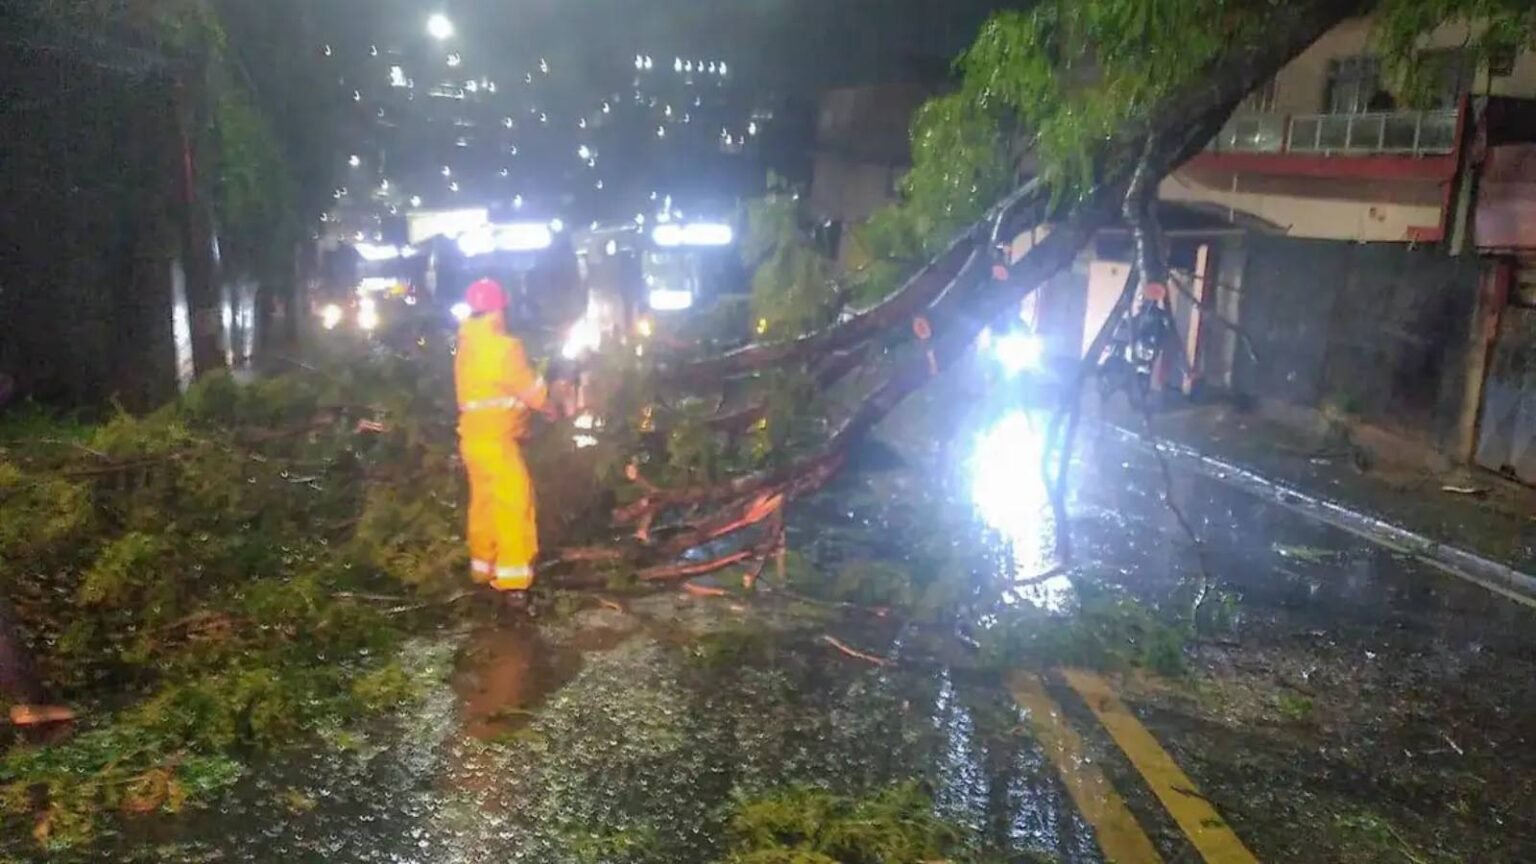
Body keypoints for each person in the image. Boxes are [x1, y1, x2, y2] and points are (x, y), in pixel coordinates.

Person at [454, 278, 553, 612]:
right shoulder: (503, 347)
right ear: (499, 308)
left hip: (473, 440)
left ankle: (483, 568)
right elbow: (528, 388)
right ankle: (513, 583)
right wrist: (549, 403)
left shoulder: (467, 345)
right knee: (515, 503)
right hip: (497, 442)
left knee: (483, 504)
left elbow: (490, 395)